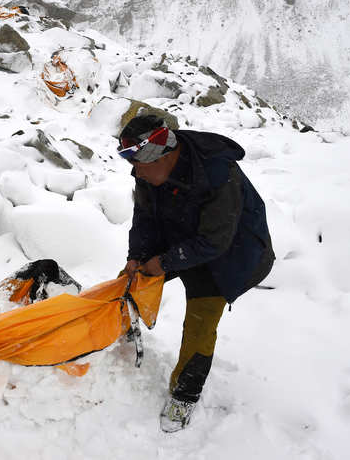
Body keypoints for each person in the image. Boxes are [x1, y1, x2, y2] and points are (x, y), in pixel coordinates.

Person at [118, 115, 275, 433]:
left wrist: (163, 263)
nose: (135, 172)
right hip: (183, 233)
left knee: (200, 325)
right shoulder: (149, 172)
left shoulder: (217, 172)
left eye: (140, 164)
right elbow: (144, 215)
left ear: (163, 155)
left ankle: (184, 395)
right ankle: (123, 336)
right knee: (129, 280)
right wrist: (137, 257)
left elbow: (216, 240)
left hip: (229, 254)